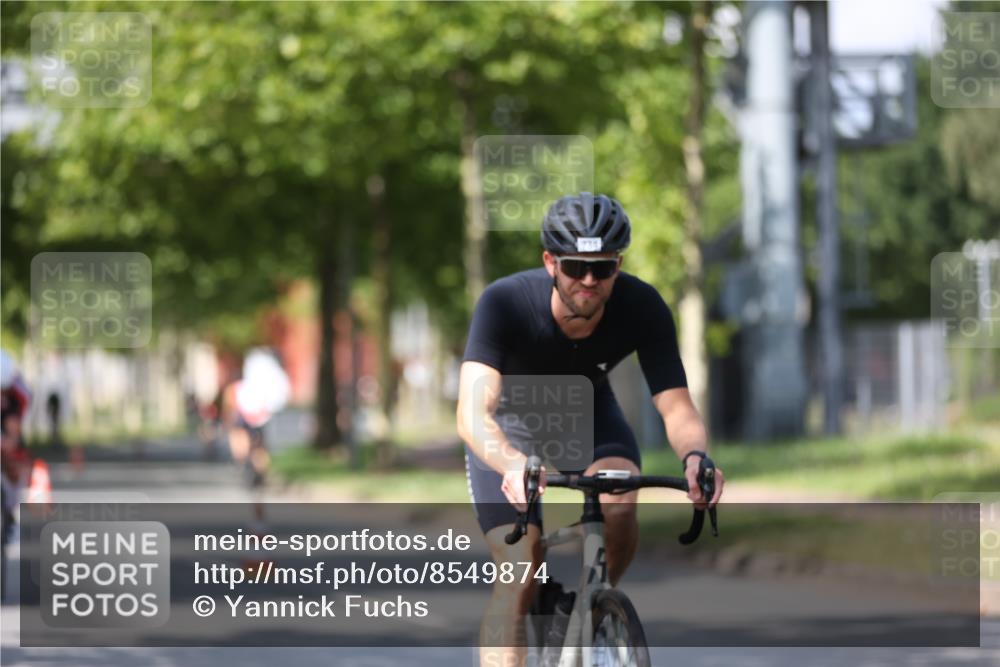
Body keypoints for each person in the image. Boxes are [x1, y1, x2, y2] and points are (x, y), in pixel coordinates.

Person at [456, 192, 725, 666]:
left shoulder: (642, 306)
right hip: (509, 424)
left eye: (601, 269)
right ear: (550, 263)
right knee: (520, 566)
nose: (588, 280)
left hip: (586, 410)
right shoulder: (504, 303)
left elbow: (677, 407)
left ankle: (591, 611)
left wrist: (695, 458)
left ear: (618, 266)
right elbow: (473, 411)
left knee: (620, 494)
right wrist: (510, 462)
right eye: (575, 266)